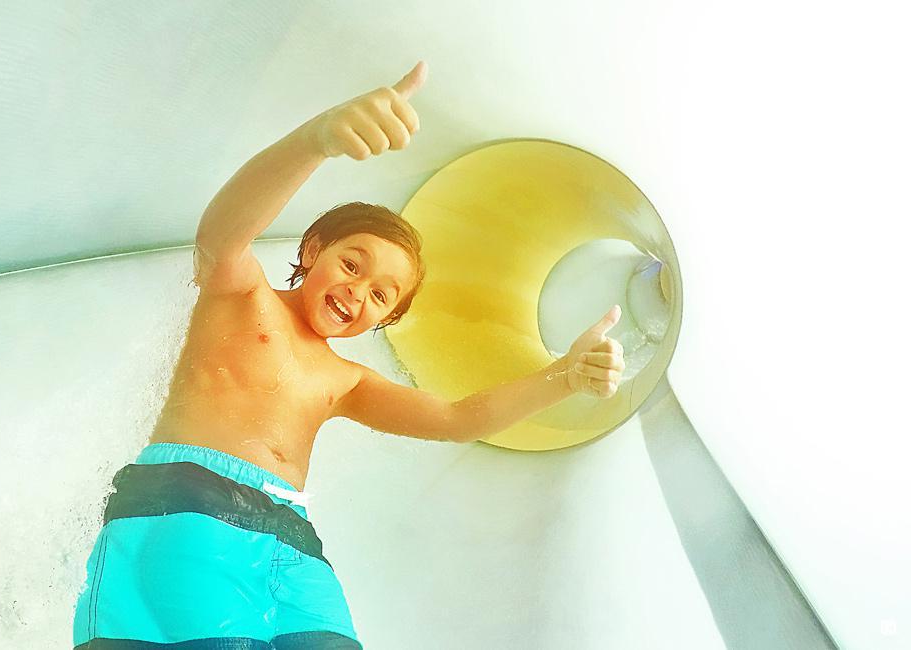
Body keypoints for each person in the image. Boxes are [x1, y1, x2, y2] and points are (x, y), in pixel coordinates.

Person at [72, 61, 625, 650]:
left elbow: (458, 418)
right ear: (313, 250)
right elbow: (223, 233)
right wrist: (316, 141)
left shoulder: (347, 381)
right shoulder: (243, 296)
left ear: (384, 319)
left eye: (380, 294)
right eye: (352, 264)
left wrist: (565, 376)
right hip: (190, 499)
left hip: (293, 536)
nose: (356, 291)